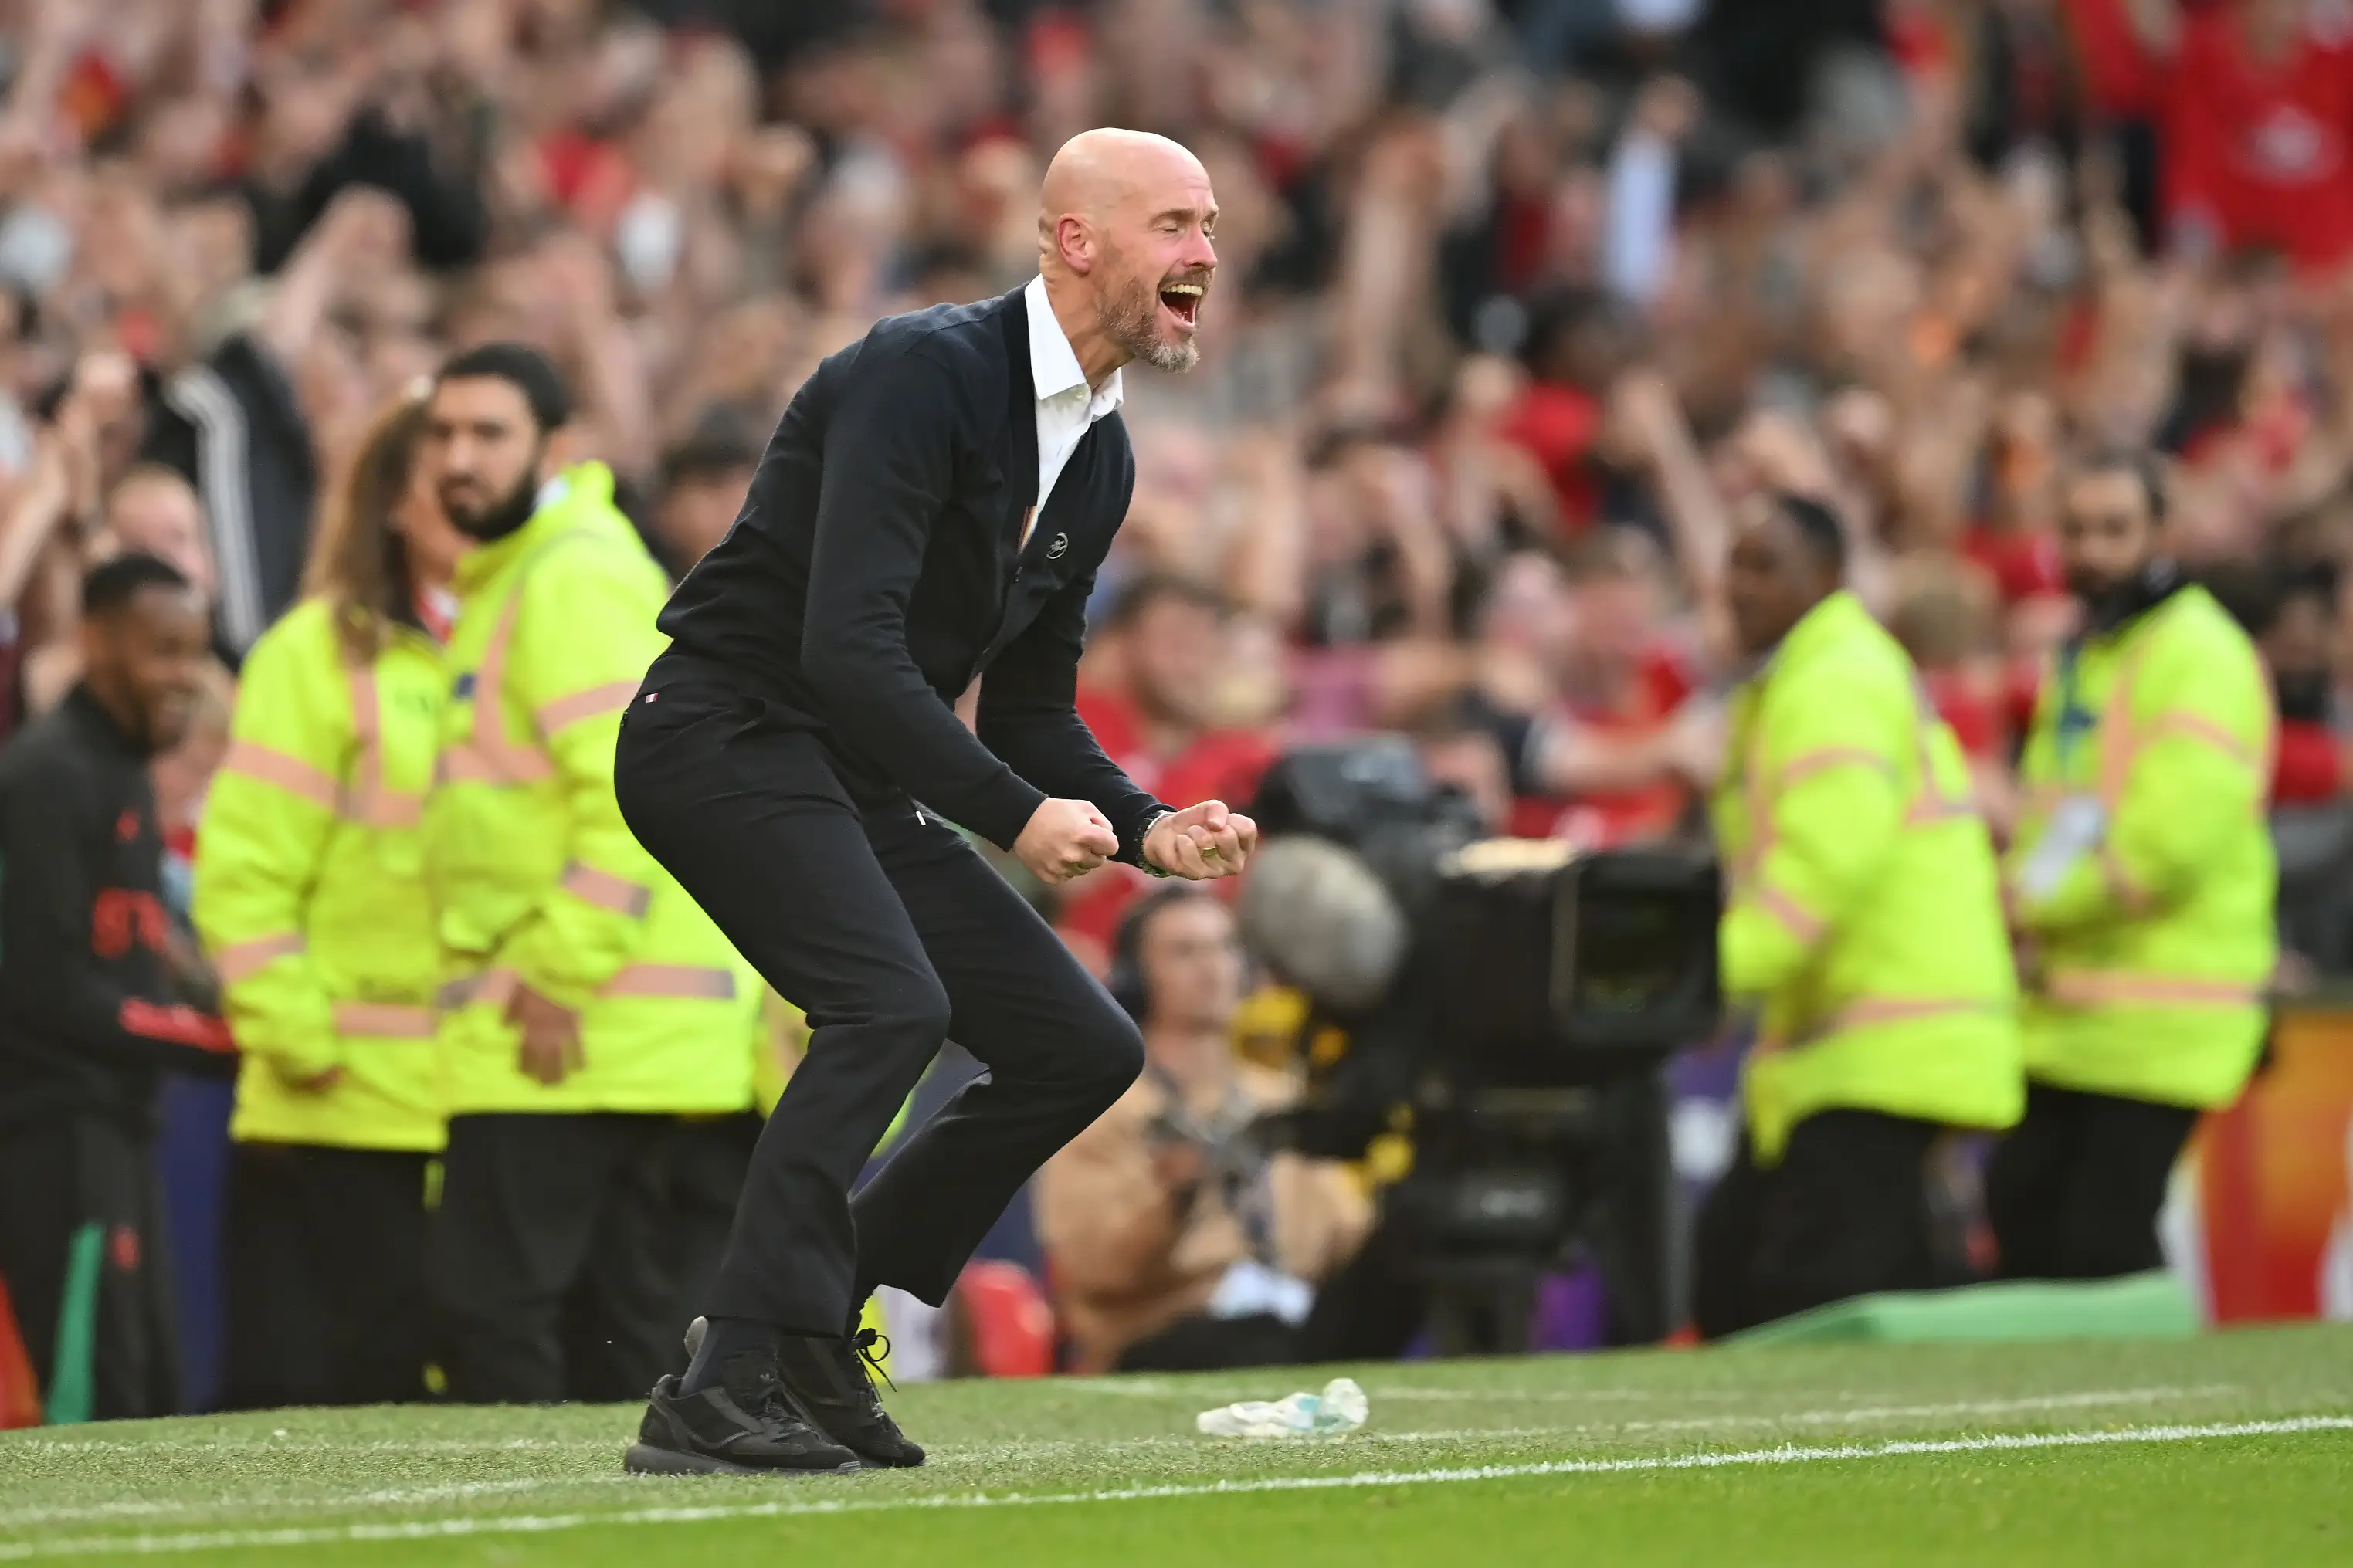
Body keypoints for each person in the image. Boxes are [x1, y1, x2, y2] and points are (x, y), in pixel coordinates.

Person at [614, 127, 1255, 1475]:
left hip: (847, 767)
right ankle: (720, 1381)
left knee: (1078, 1044)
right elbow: (849, 651)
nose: (1204, 251)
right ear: (1073, 240)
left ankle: (814, 1313)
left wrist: (1146, 826)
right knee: (888, 1006)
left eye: (1208, 226)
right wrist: (1014, 817)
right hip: (723, 732)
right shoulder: (926, 371)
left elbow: (1027, 712)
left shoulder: (1099, 453)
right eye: (1174, 224)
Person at [419, 344, 762, 1405]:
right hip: (611, 1033)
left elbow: (630, 790)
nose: (458, 459)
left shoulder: (566, 576)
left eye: (489, 434)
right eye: (442, 434)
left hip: (575, 1025)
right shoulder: (536, 571)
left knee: (499, 1319)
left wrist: (561, 967)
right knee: (610, 1337)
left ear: (558, 448)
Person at [1691, 493, 2022, 1340]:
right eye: (1733, 564)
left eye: (1765, 566)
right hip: (1849, 1048)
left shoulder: (1833, 681)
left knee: (1798, 1295)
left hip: (1883, 1045)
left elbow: (1818, 873)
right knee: (1761, 1277)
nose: (1739, 586)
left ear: (1827, 575)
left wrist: (1702, 980)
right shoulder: (1801, 679)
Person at [192, 393, 466, 1409]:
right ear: (388, 500)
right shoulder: (311, 656)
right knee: (335, 1406)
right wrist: (298, 1038)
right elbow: (245, 869)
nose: (470, 490)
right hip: (340, 1108)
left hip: (493, 1105)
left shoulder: (535, 649)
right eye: (441, 471)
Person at [1988, 453, 2277, 1281]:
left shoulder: (2198, 653)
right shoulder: (2089, 653)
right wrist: (2022, 895)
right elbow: (2058, 816)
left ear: (2164, 535)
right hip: (2073, 1013)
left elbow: (2163, 849)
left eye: (2115, 530)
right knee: (2021, 1210)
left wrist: (2026, 907)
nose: (2091, 551)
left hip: (2162, 1012)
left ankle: (2156, 1368)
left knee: (2098, 1241)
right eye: (2075, 530)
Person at [0, 554, 231, 1421]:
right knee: (91, 1401)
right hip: (56, 1131)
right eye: (162, 650)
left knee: (149, 1395)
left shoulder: (121, 768)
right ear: (95, 641)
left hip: (119, 1125)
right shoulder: (48, 774)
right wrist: (219, 1040)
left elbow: (142, 941)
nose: (184, 676)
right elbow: (52, 990)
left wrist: (219, 995)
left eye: (195, 652)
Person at [1036, 886, 1370, 1373]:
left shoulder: (1280, 1100)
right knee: (1260, 1344)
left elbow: (1348, 1235)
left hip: (1288, 1321)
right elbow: (1095, 1269)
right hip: (1156, 1334)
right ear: (1137, 978)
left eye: (1225, 947)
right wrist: (1171, 1203)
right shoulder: (1099, 1110)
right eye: (1185, 952)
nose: (1213, 969)